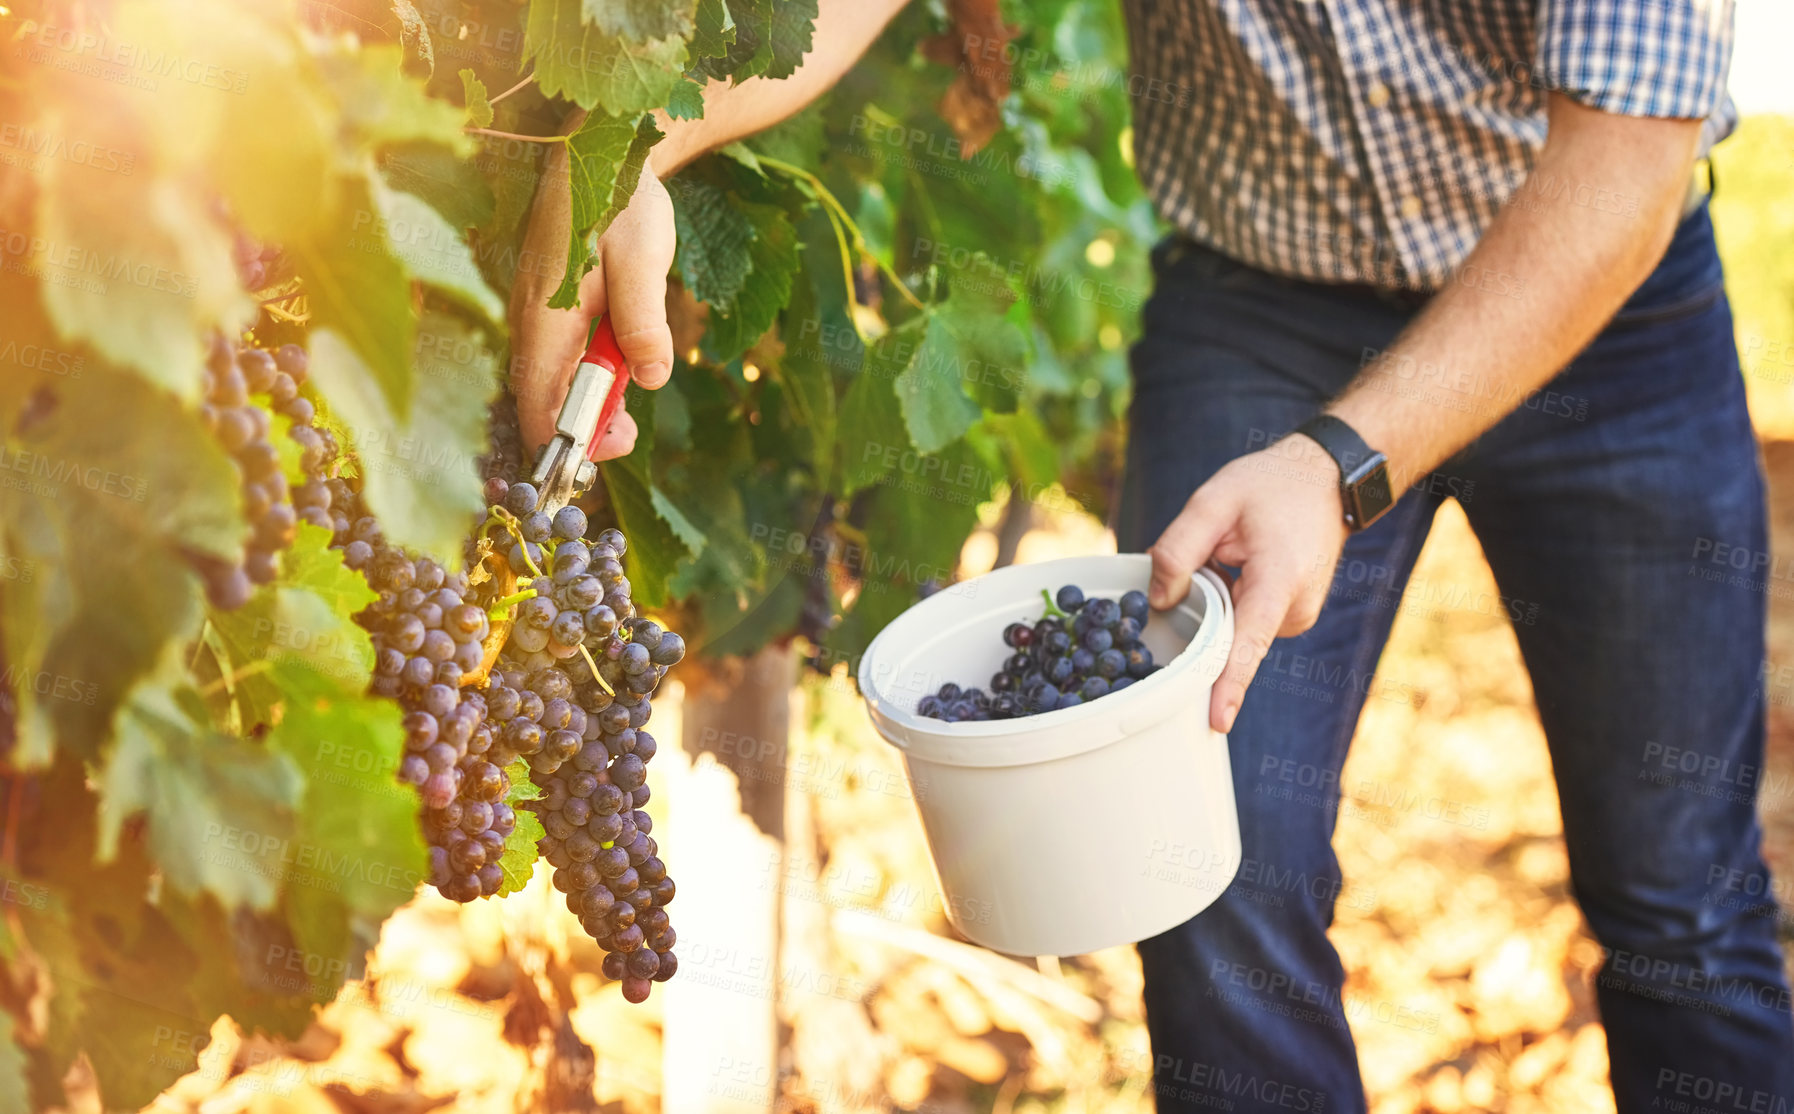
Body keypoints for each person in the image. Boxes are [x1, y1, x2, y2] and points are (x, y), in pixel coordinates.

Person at [510, 1, 1794, 1110]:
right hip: (1262, 297)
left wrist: (1338, 463)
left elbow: (1627, 162)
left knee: (1679, 895)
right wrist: (634, 144)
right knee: (1201, 882)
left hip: (1593, 291)